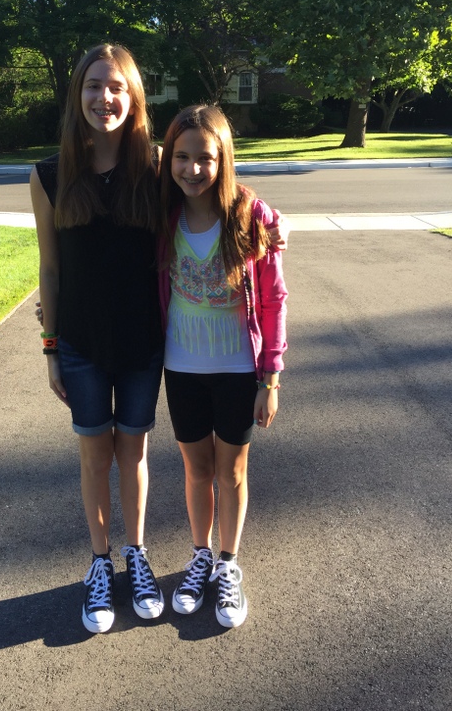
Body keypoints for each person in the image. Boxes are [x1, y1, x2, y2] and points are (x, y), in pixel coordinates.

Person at [30, 44, 166, 634]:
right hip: (81, 346)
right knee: (95, 456)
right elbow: (50, 269)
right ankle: (100, 562)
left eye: (115, 87)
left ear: (133, 97)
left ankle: (136, 555)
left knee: (133, 453)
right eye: (92, 85)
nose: (103, 97)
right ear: (77, 94)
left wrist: (264, 225)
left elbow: (214, 198)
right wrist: (51, 348)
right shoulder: (48, 176)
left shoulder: (156, 168)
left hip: (142, 343)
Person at [157, 104, 288, 628]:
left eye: (205, 158)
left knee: (231, 471)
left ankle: (228, 564)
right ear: (167, 159)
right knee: (197, 469)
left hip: (238, 368)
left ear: (223, 159)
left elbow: (274, 299)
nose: (192, 169)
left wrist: (270, 377)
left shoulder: (251, 217)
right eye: (181, 157)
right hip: (181, 366)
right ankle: (201, 556)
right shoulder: (161, 215)